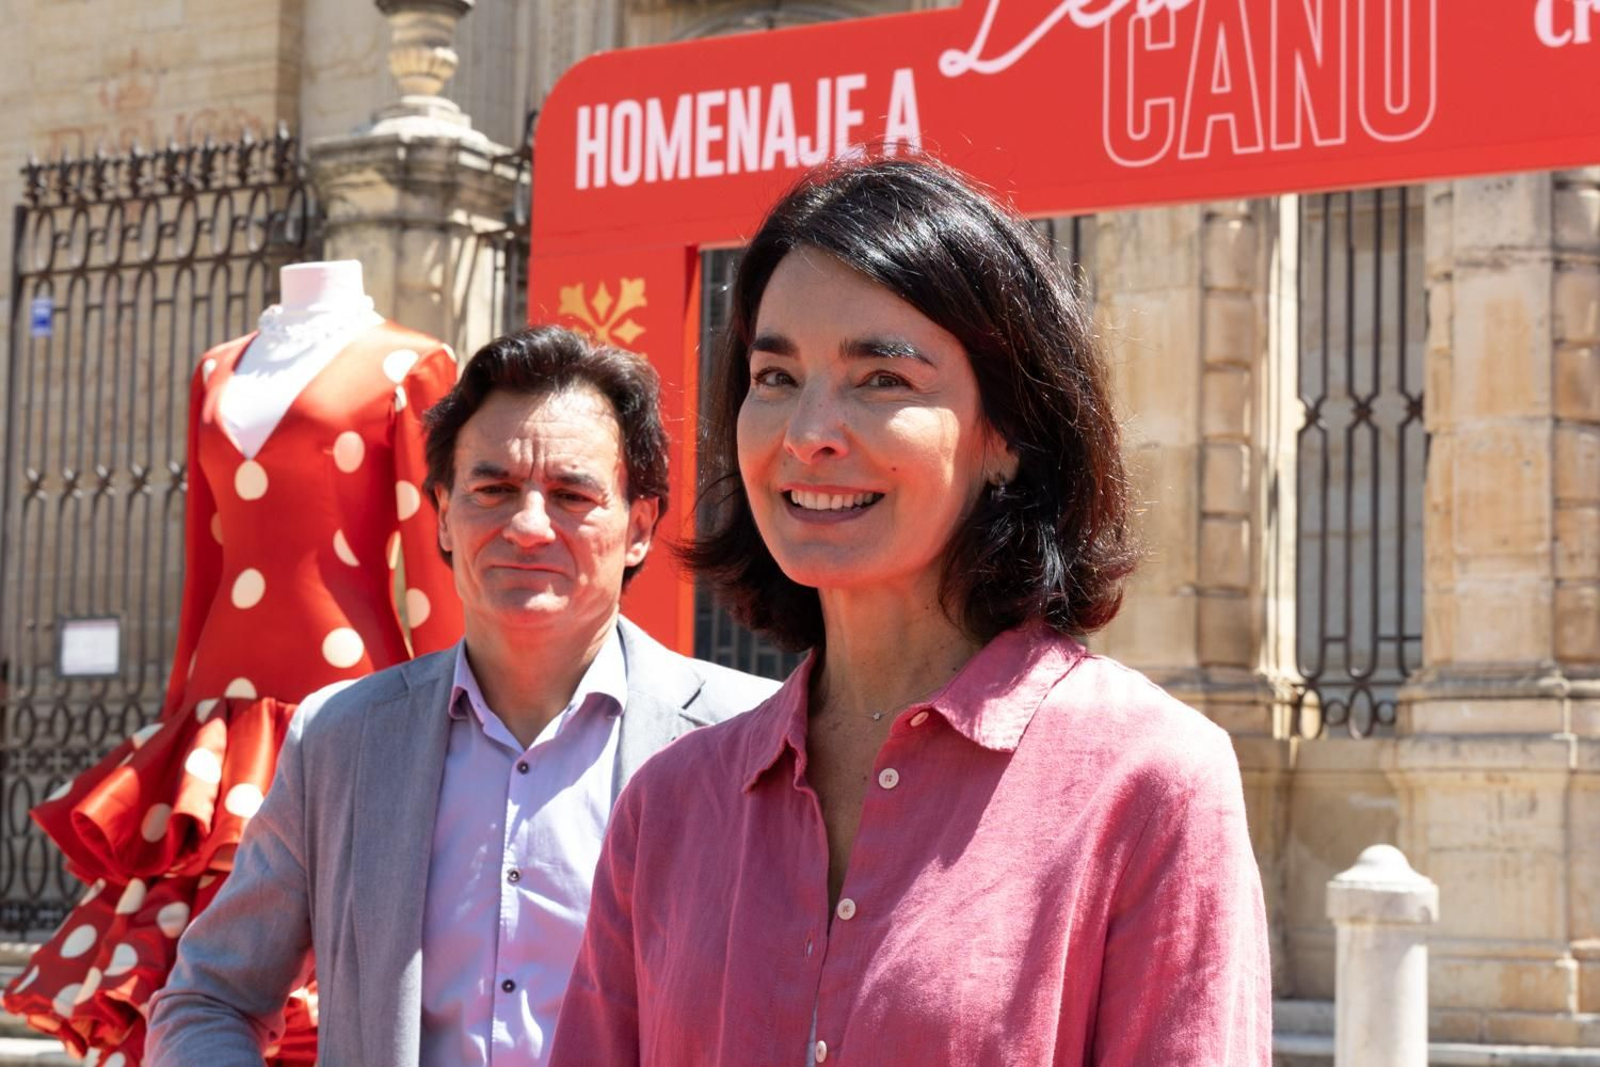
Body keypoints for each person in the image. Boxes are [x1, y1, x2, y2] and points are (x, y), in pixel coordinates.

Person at [549, 156, 1272, 1066]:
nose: (809, 430)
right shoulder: (669, 806)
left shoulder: (1149, 784)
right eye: (774, 377)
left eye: (881, 379)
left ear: (1006, 434)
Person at [144, 325, 779, 1066]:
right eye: (493, 489)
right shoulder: (340, 742)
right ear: (443, 514)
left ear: (639, 527)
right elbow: (210, 995)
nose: (529, 526)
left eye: (572, 494)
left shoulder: (748, 738)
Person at [5, 261, 463, 1064]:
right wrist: (178, 707)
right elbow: (205, 564)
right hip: (215, 717)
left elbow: (429, 572)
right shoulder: (214, 368)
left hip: (346, 687)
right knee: (194, 951)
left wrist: (450, 717)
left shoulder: (411, 363)